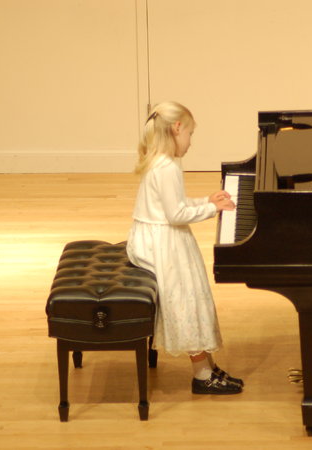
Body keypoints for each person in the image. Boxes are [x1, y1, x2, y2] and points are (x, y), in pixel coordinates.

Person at [126, 101, 244, 394]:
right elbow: (176, 214)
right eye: (190, 134)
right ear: (177, 129)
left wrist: (206, 201)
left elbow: (173, 204)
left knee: (193, 293)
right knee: (186, 299)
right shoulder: (167, 167)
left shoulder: (159, 160)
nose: (191, 142)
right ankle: (202, 374)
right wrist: (213, 210)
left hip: (152, 237)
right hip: (161, 245)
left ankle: (208, 365)